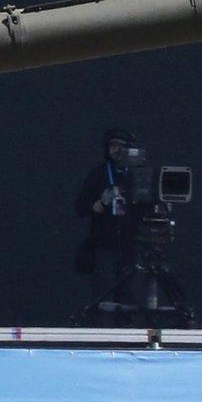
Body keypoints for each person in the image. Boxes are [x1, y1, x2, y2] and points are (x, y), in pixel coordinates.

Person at [73, 127, 141, 301]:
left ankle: (126, 326)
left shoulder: (138, 175)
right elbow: (80, 206)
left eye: (121, 146)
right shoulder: (98, 175)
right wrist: (96, 206)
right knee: (102, 294)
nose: (116, 150)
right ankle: (101, 325)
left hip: (131, 244)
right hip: (104, 244)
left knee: (129, 295)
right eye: (113, 145)